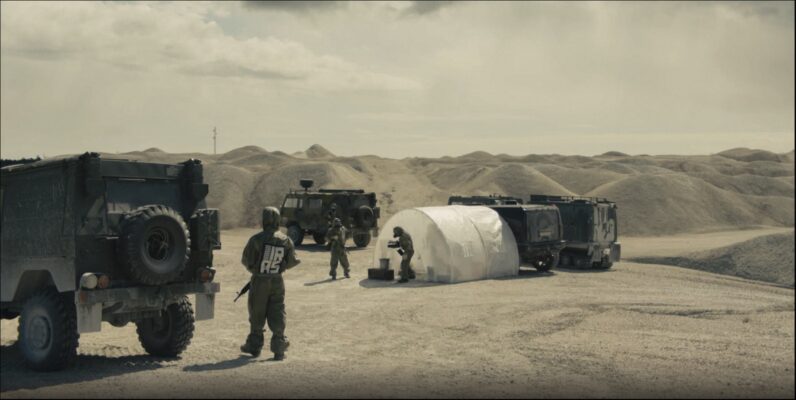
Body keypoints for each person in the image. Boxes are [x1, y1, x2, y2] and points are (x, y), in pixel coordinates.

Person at [240, 207, 300, 360]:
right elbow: (293, 261)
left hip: (260, 281)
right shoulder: (286, 240)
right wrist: (280, 267)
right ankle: (279, 348)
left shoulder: (256, 239)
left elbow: (246, 260)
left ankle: (254, 346)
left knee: (257, 312)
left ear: (264, 220)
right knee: (278, 311)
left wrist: (256, 270)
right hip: (277, 281)